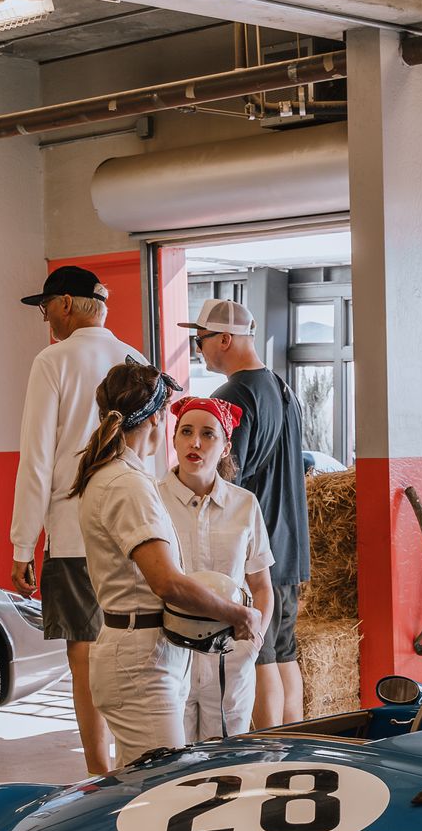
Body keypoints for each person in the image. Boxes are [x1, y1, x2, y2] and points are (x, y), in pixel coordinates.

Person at [70, 361, 262, 762]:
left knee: (144, 785)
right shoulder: (128, 483)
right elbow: (167, 582)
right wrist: (237, 614)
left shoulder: (118, 475)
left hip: (148, 652)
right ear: (159, 420)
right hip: (141, 661)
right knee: (161, 792)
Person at [12, 264, 144, 776]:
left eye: (44, 306)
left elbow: (36, 459)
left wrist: (23, 544)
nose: (44, 316)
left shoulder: (52, 361)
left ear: (65, 303)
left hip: (72, 533)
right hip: (137, 530)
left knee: (85, 652)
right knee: (135, 642)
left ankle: (98, 772)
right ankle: (138, 758)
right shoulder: (138, 359)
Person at [186, 298, 309, 729]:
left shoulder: (232, 398)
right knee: (284, 652)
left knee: (260, 657)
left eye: (199, 339)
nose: (197, 348)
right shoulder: (281, 387)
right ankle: (295, 747)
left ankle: (269, 753)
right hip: (289, 545)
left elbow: (221, 482)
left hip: (257, 551)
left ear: (225, 339)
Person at [162, 392, 275, 741]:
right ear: (175, 438)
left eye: (208, 434)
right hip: (170, 655)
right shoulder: (153, 500)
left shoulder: (244, 505)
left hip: (230, 657)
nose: (195, 442)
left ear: (225, 447)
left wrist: (252, 644)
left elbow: (261, 585)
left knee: (225, 766)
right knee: (171, 763)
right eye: (186, 431)